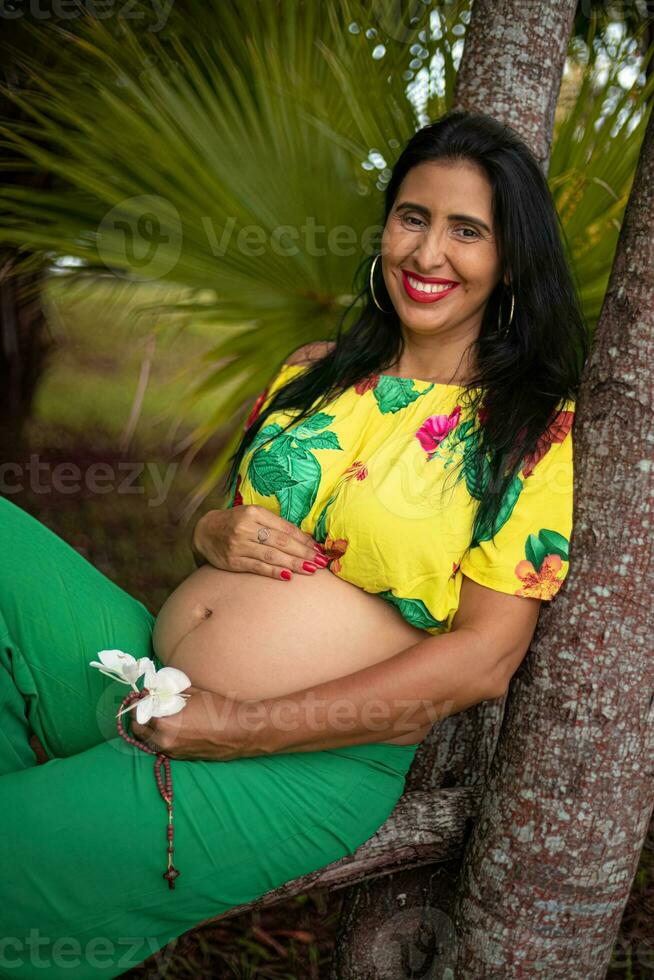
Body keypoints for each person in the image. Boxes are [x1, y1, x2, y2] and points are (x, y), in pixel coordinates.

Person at [0, 109, 587, 978]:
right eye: (413, 217)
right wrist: (210, 527)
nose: (429, 255)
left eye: (469, 232)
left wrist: (237, 726)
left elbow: (480, 662)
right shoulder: (316, 369)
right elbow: (235, 541)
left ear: (510, 261)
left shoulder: (530, 431)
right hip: (155, 683)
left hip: (301, 758)